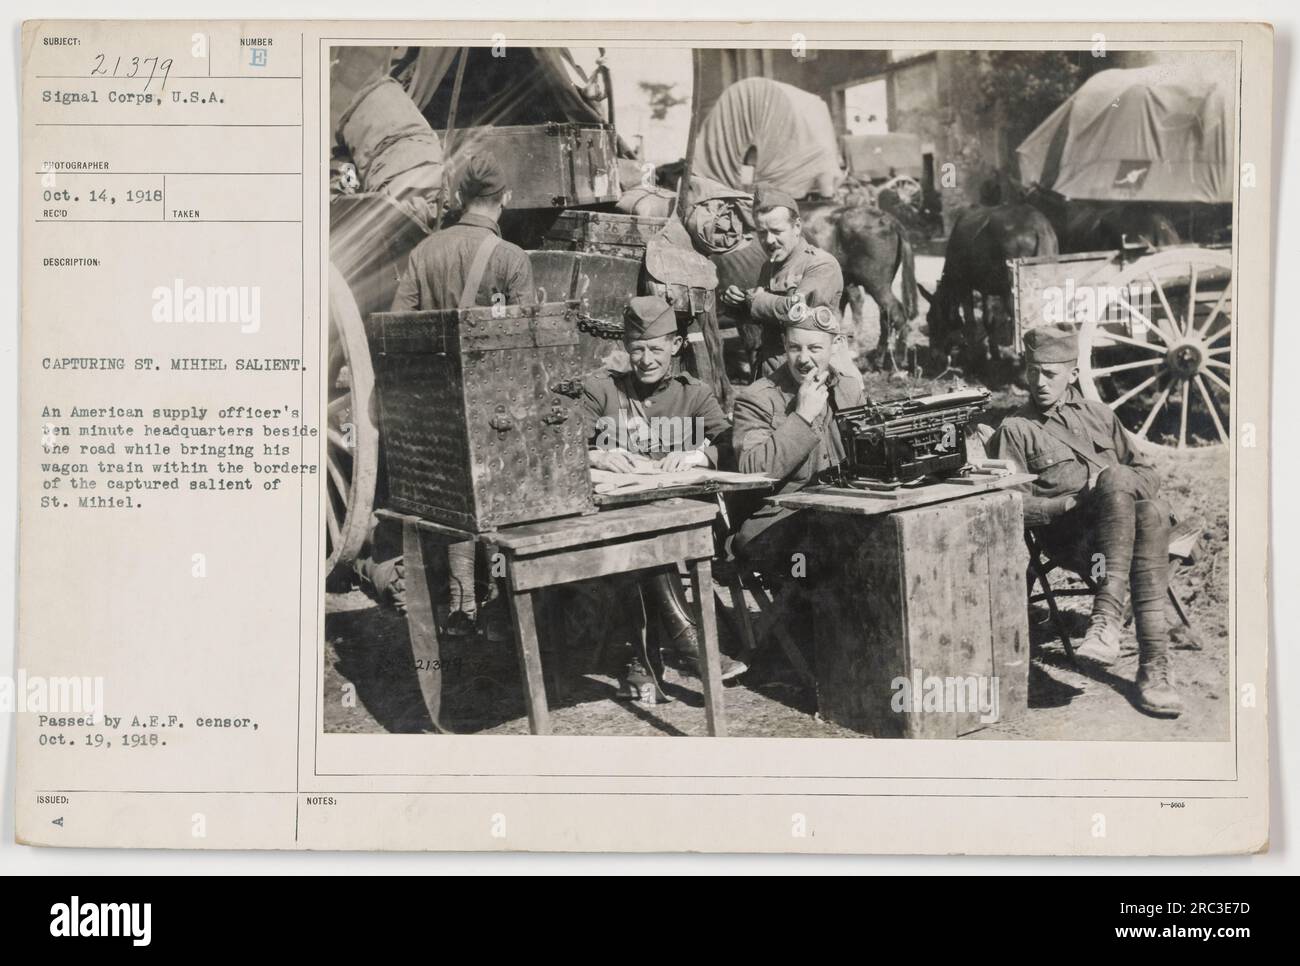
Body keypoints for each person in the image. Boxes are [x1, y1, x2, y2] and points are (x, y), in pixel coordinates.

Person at [355, 152, 533, 639]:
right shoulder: (511, 259)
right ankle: (495, 601)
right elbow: (523, 345)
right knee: (496, 502)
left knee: (454, 503)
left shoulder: (424, 252)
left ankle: (461, 604)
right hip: (492, 406)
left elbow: (394, 332)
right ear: (507, 199)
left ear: (457, 198)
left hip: (434, 406)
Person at [992, 324, 1183, 717]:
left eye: (1050, 373)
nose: (1038, 382)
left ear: (1073, 374)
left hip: (1125, 534)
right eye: (1032, 371)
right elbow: (1009, 504)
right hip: (1073, 541)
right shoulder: (1017, 428)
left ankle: (1118, 631)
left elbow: (1148, 473)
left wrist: (1114, 485)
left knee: (1144, 505)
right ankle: (1150, 665)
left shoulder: (1100, 415)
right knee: (1148, 511)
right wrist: (1072, 504)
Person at [576, 294, 746, 701]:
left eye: (656, 348)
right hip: (609, 520)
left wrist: (699, 453)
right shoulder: (602, 390)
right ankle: (690, 646)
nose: (647, 359)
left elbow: (733, 443)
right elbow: (561, 442)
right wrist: (597, 453)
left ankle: (643, 658)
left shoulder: (694, 394)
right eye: (637, 349)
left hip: (674, 517)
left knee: (652, 537)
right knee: (643, 537)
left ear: (676, 346)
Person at [730, 304, 867, 575]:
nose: (803, 359)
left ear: (836, 344)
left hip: (840, 514)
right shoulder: (757, 398)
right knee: (822, 564)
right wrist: (802, 417)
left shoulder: (849, 389)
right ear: (783, 343)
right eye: (794, 348)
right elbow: (752, 470)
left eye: (814, 349)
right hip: (777, 527)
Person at [719, 182, 862, 388]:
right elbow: (763, 317)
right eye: (761, 232)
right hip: (774, 372)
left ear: (796, 227)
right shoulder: (769, 267)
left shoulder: (821, 263)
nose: (769, 240)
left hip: (814, 376)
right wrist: (738, 302)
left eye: (777, 231)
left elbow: (800, 311)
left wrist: (755, 299)